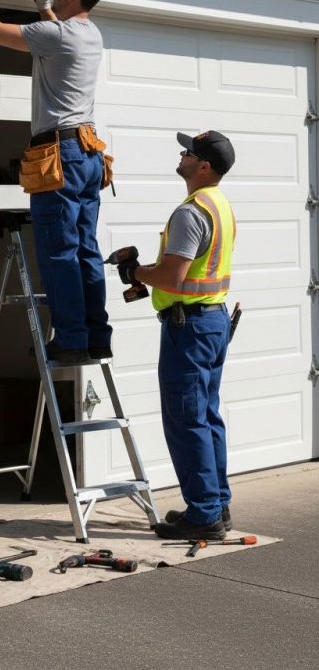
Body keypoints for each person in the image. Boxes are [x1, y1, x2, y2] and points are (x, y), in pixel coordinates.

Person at [0, 0, 112, 364]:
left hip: (59, 157)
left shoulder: (56, 34)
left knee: (59, 251)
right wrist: (45, 6)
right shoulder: (91, 35)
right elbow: (56, 34)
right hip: (88, 155)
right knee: (86, 251)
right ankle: (96, 336)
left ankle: (72, 340)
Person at [120, 130, 237, 540]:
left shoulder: (190, 212)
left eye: (188, 152)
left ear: (203, 166)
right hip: (212, 322)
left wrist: (135, 272)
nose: (182, 154)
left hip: (188, 328)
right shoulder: (218, 204)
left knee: (187, 420)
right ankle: (216, 506)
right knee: (206, 416)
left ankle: (204, 515)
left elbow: (173, 275)